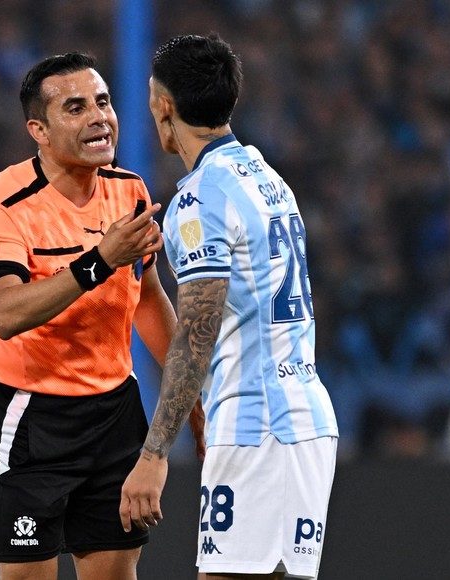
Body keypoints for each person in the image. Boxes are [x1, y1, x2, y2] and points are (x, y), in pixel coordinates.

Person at [0, 52, 200, 580]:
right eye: (76, 108)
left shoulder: (128, 189)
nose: (99, 117)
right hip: (31, 418)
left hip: (114, 414)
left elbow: (146, 297)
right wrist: (98, 262)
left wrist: (192, 399)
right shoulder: (2, 204)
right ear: (39, 131)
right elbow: (3, 313)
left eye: (103, 102)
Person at [120, 34, 339, 580]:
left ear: (163, 107)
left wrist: (154, 453)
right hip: (300, 416)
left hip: (258, 424)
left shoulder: (201, 199)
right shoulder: (267, 178)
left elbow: (198, 328)